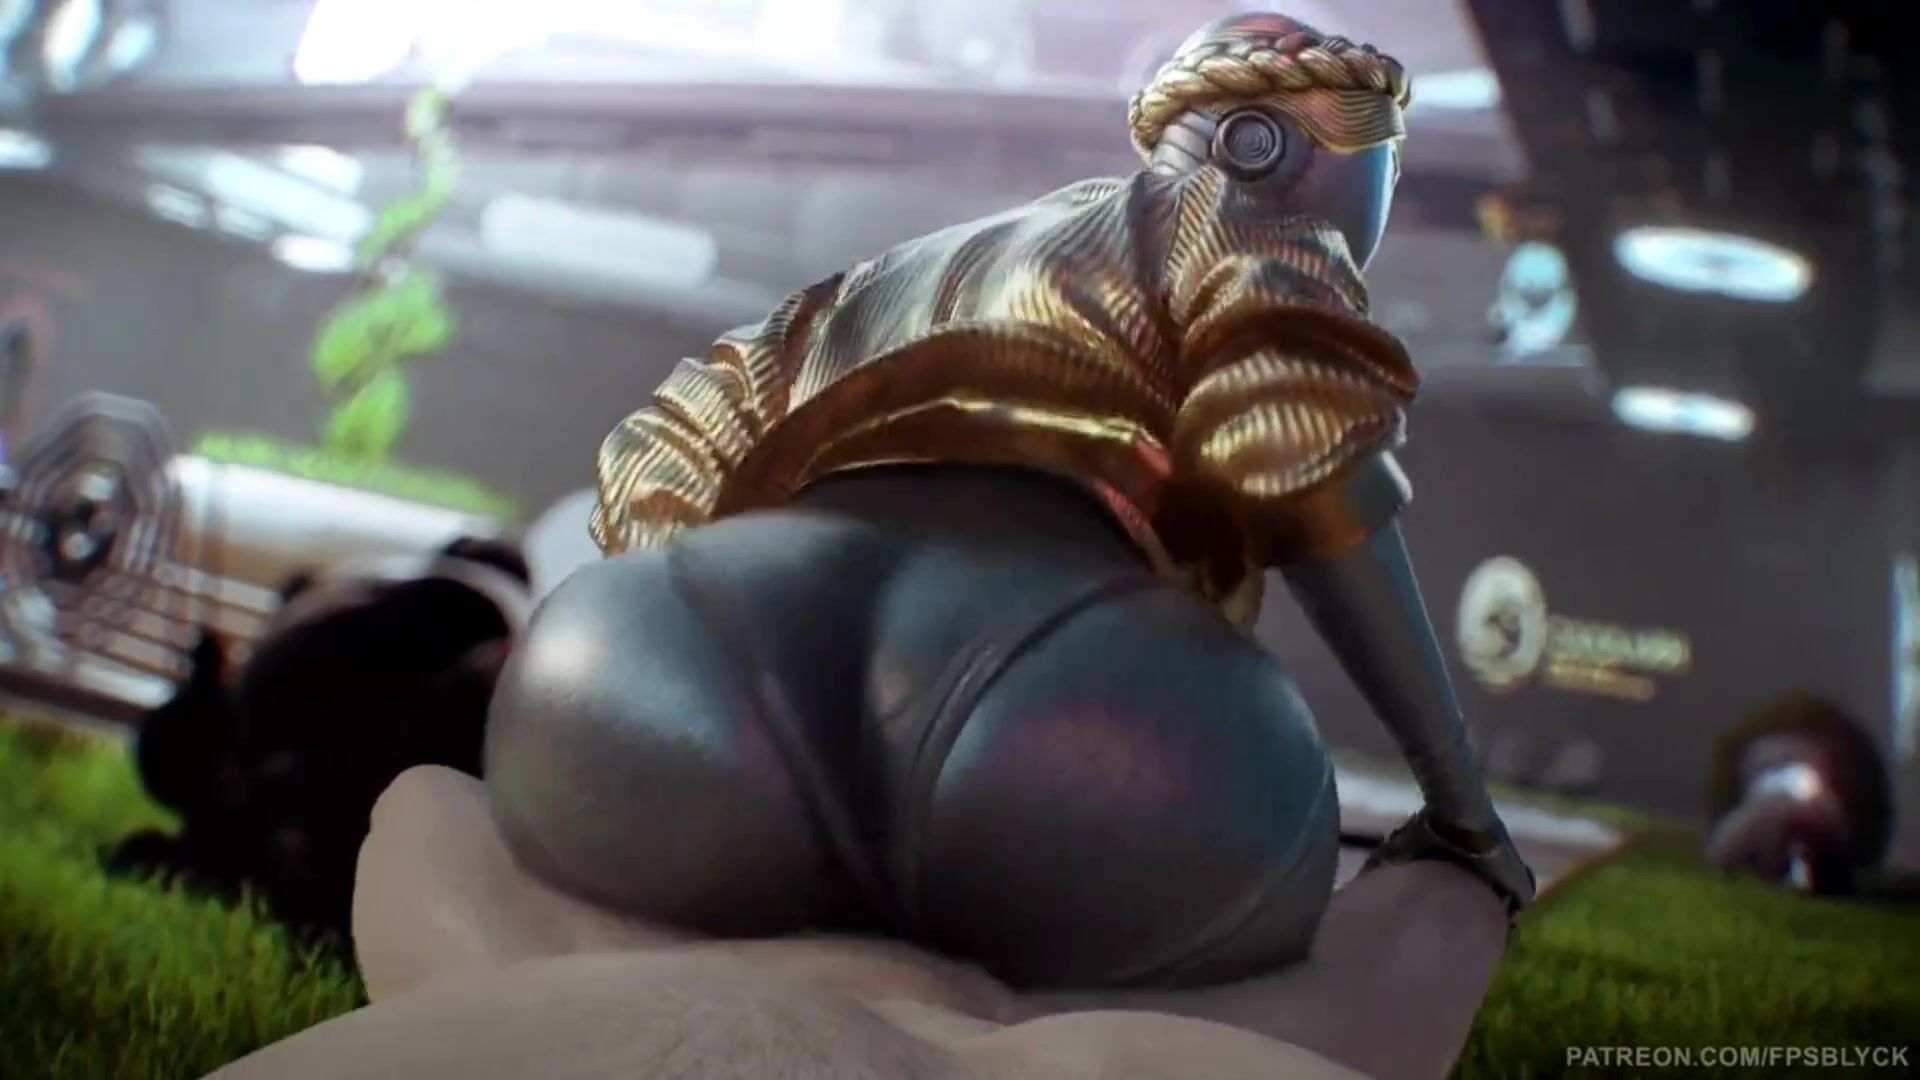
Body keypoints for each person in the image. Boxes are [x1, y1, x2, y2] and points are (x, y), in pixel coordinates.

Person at [485, 10, 1534, 995]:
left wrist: (690, 643)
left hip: (667, 674)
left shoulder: (899, 269)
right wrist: (1462, 810)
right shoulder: (1251, 225)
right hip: (1068, 712)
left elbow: (663, 445)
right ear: (1269, 146)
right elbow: (1306, 473)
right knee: (1293, 932)